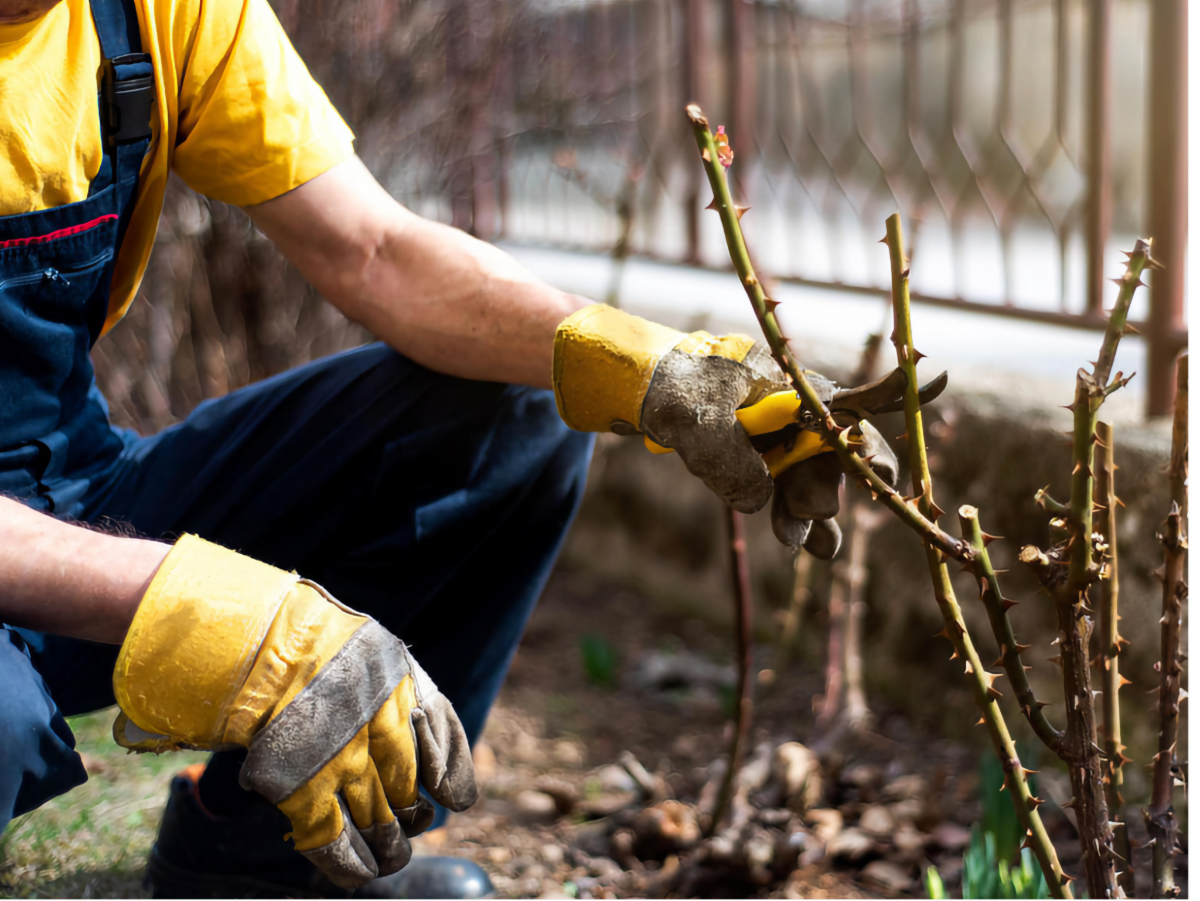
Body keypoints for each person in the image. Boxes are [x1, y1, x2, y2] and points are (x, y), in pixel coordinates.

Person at [0, 0, 929, 897]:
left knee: (515, 411)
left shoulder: (153, 14)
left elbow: (374, 250)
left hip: (73, 481)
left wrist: (647, 368)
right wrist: (210, 614)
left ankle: (268, 859)